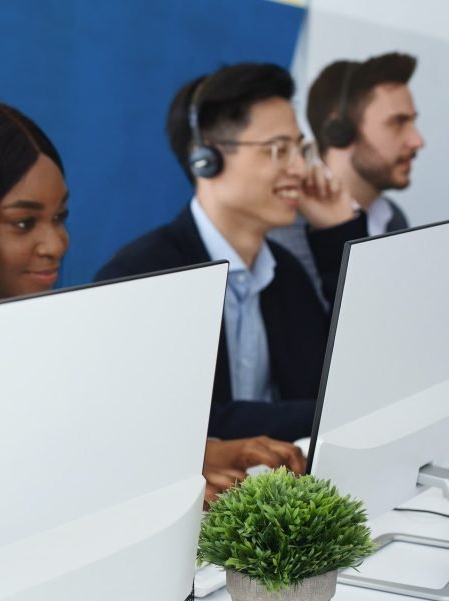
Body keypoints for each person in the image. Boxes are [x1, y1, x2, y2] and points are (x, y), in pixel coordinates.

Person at [0, 100, 303, 505]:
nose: (56, 243)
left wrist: (200, 452)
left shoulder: (37, 333)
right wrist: (159, 482)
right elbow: (9, 494)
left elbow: (88, 444)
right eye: (24, 222)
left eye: (59, 217)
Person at [94, 63, 367, 442]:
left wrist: (338, 236)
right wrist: (328, 413)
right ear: (206, 158)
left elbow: (354, 387)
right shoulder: (142, 276)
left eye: (300, 149)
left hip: (283, 496)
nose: (300, 168)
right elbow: (179, 428)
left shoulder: (287, 275)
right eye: (278, 150)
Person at [269, 52, 424, 301]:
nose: (417, 141)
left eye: (412, 123)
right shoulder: (284, 226)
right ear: (340, 130)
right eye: (398, 122)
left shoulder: (392, 217)